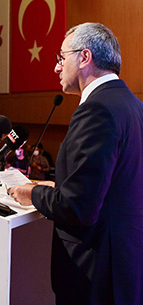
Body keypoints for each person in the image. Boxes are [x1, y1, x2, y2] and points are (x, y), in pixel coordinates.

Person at [9, 23, 143, 304]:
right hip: (125, 264)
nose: (57, 68)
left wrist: (31, 193)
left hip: (94, 274)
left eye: (60, 58)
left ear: (84, 57)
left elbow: (79, 207)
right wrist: (58, 187)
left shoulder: (96, 109)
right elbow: (114, 184)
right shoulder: (133, 105)